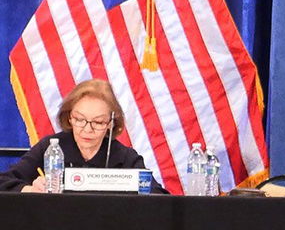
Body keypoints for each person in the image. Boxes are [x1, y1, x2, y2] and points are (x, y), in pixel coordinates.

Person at [0, 79, 165, 193]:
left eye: (98, 122)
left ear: (111, 123)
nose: (87, 129)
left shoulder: (124, 156)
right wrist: (29, 189)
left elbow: (158, 196)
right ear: (69, 117)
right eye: (80, 119)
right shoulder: (51, 148)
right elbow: (4, 181)